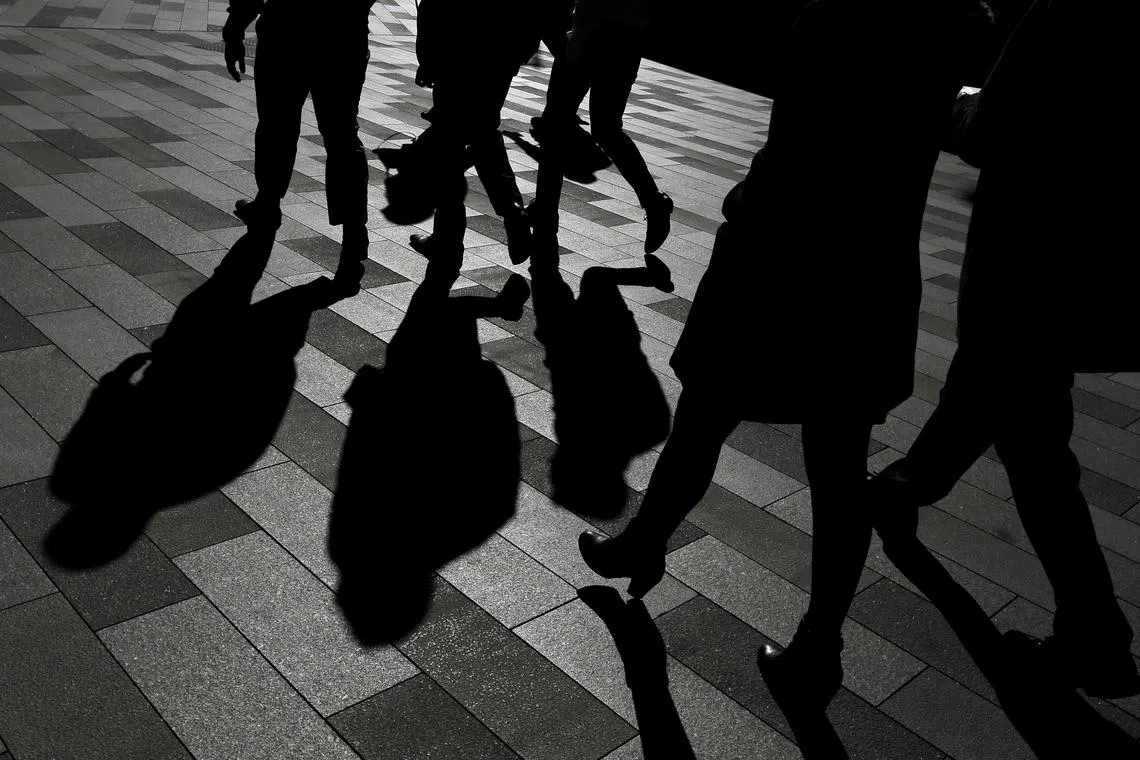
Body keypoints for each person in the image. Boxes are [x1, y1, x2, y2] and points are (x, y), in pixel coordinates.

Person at [577, 0, 983, 708]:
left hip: (781, 250)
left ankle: (646, 542)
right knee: (837, 461)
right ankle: (819, 646)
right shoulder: (951, 21)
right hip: (870, 268)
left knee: (706, 412)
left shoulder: (839, 14)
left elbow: (794, 118)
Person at [873, 0, 1140, 699]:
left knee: (1033, 441)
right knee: (996, 385)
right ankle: (909, 485)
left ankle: (1099, 637)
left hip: (1029, 249)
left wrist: (958, 106)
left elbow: (991, 130)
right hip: (1090, 252)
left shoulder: (1063, 14)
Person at [222, 0, 374, 293]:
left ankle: (267, 205)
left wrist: (237, 23)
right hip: (344, 32)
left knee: (276, 124)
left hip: (286, 28)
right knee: (341, 133)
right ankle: (354, 230)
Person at [529, 0, 673, 259]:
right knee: (604, 129)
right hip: (623, 40)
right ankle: (653, 201)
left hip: (590, 35)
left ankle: (545, 213)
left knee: (557, 125)